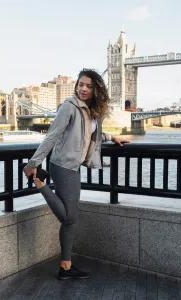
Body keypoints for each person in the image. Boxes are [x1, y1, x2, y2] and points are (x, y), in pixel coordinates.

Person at [23, 68, 130, 280]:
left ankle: (66, 266)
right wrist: (34, 162)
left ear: (96, 90)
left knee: (70, 219)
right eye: (81, 84)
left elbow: (90, 134)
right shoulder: (69, 107)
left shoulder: (91, 110)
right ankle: (41, 185)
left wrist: (112, 137)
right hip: (62, 165)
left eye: (88, 86)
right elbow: (51, 137)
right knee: (69, 218)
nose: (83, 88)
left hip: (73, 166)